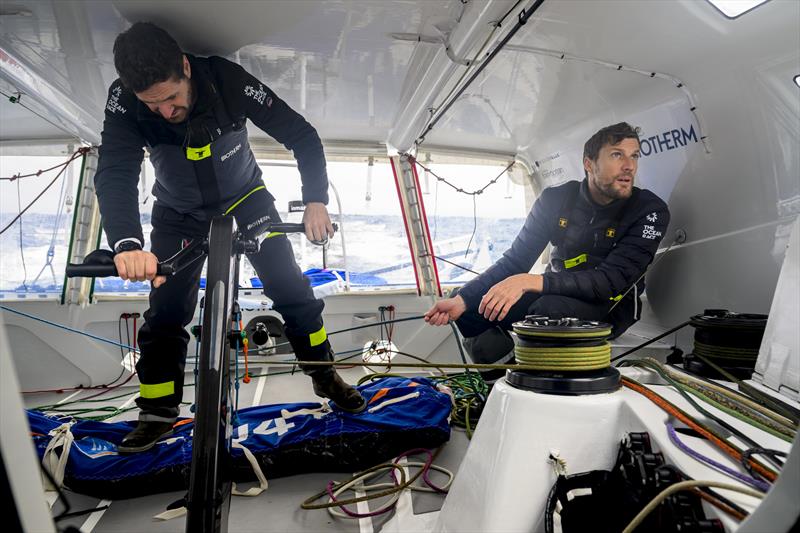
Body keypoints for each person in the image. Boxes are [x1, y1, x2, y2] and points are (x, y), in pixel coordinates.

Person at [95, 22, 365, 453]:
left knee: (290, 288)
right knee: (166, 310)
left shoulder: (226, 79)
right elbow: (115, 170)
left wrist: (315, 200)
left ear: (185, 67)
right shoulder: (125, 101)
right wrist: (127, 242)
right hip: (178, 213)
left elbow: (302, 136)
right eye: (154, 104)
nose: (166, 111)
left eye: (171, 97)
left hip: (248, 199)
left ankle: (323, 374)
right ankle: (157, 412)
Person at [424, 122, 670, 374]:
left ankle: (540, 387)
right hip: (557, 292)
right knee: (471, 305)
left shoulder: (649, 210)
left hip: (612, 305)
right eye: (617, 154)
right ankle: (500, 383)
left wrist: (531, 281)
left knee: (547, 309)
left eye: (634, 156)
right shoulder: (556, 200)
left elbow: (610, 282)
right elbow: (515, 261)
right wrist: (463, 299)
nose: (629, 165)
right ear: (589, 163)